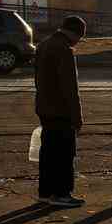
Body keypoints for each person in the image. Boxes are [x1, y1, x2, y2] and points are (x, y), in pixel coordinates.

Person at [35, 15, 86, 207]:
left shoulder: (45, 44)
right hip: (61, 110)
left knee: (48, 153)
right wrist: (77, 117)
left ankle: (45, 192)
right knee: (64, 154)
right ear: (76, 33)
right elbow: (70, 88)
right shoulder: (64, 50)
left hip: (45, 107)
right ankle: (62, 194)